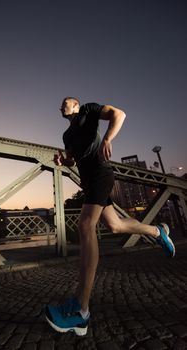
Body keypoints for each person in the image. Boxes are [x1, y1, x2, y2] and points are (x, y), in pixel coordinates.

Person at [45, 97, 175, 336]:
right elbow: (72, 160)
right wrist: (63, 162)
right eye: (60, 104)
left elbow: (120, 114)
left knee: (86, 225)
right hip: (89, 181)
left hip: (101, 174)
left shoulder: (89, 110)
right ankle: (157, 231)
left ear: (76, 105)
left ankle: (81, 311)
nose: (60, 106)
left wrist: (107, 138)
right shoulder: (66, 136)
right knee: (114, 226)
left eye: (65, 102)